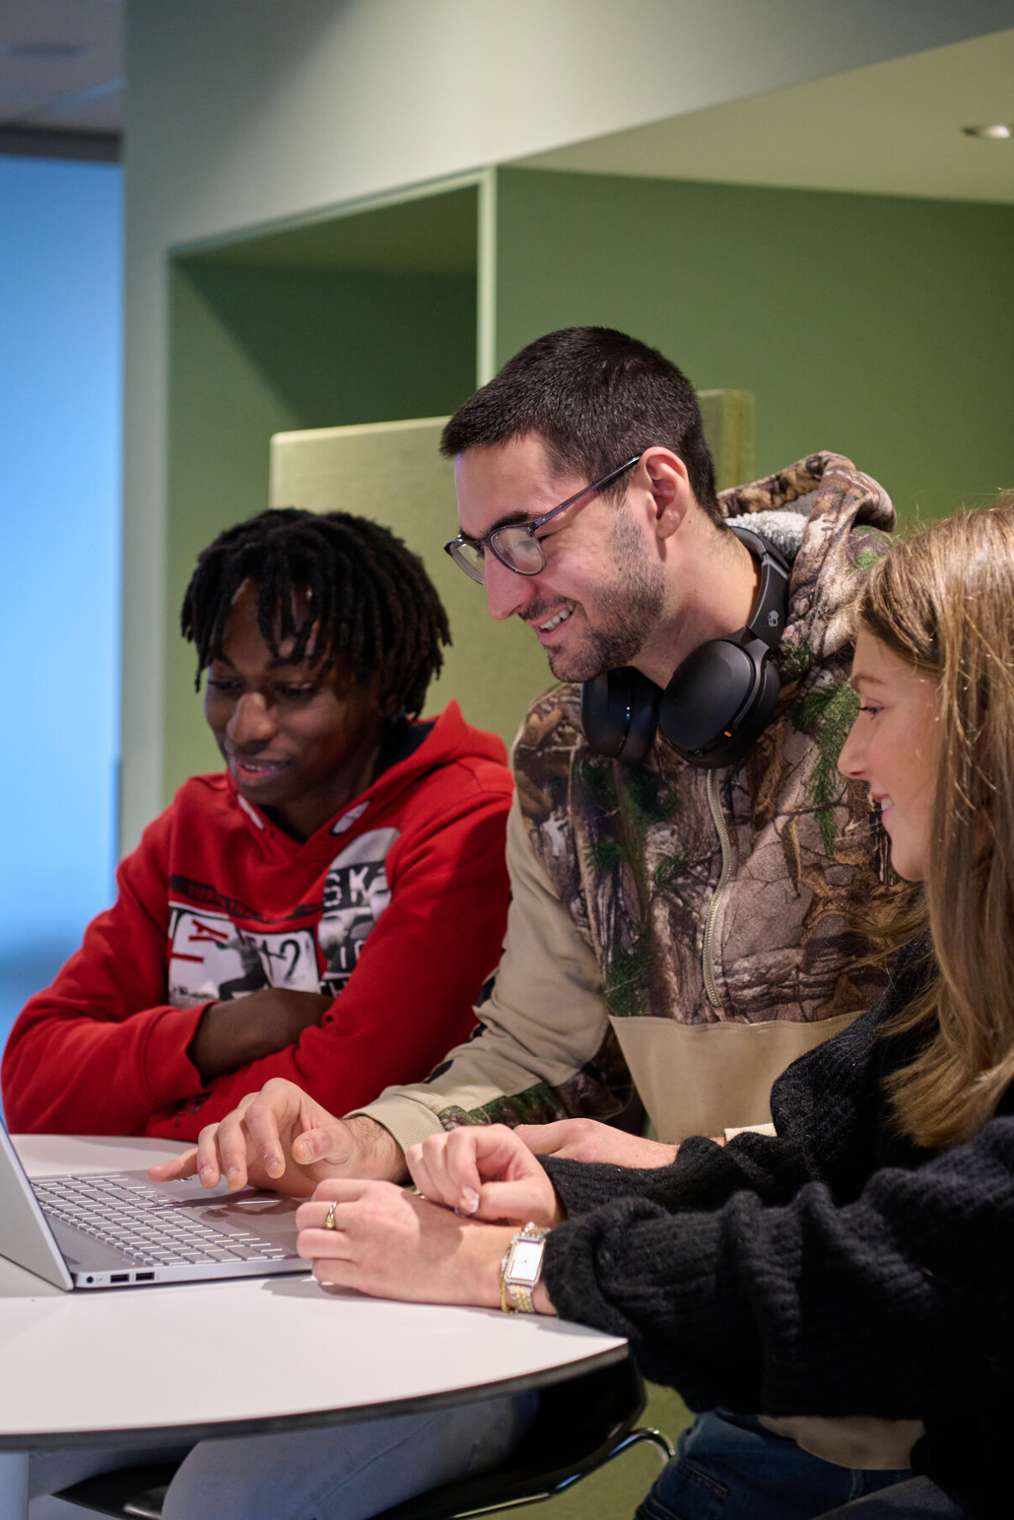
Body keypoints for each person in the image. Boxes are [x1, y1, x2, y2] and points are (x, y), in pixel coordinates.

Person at [162, 327, 918, 1509]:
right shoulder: (571, 753)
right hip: (759, 1372)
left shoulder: (918, 679)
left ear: (659, 491)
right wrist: (367, 1139)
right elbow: (534, 1054)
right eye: (481, 551)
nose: (505, 595)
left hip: (941, 1368)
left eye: (529, 537)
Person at [296, 496, 1014, 1519]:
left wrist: (513, 1266)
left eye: (883, 709)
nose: (853, 762)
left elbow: (868, 1279)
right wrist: (573, 1183)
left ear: (986, 725)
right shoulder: (962, 961)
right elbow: (806, 1152)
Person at [2, 507, 513, 1140]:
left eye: (293, 690)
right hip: (194, 1205)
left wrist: (140, 1114)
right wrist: (233, 1028)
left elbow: (343, 1094)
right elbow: (30, 1080)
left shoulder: (467, 822)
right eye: (224, 682)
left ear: (382, 685)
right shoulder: (191, 828)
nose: (245, 728)